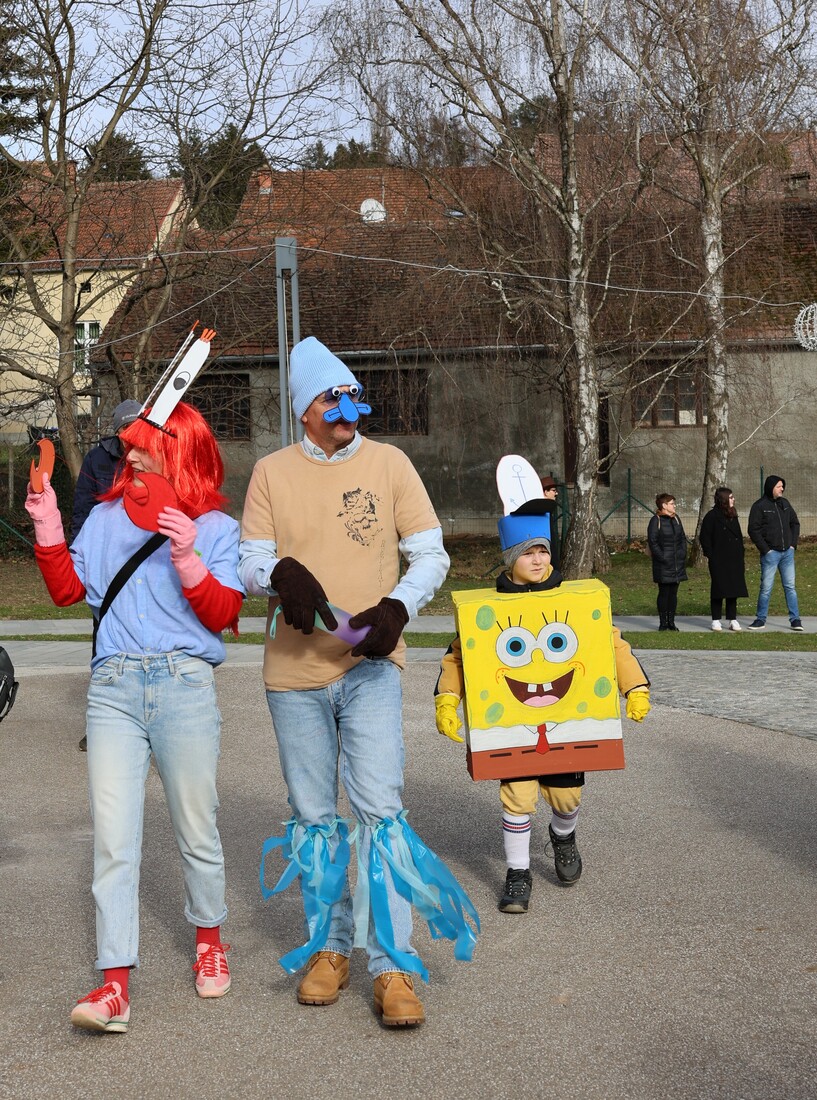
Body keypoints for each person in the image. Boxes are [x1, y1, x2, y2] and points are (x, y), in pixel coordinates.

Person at [239, 336, 477, 1029]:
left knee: (379, 811)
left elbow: (429, 554)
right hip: (293, 675)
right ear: (303, 410)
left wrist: (397, 607)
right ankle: (329, 947)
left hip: (371, 665)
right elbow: (247, 562)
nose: (345, 408)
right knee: (315, 818)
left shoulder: (389, 463)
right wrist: (277, 573)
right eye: (330, 398)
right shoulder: (270, 473)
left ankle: (393, 963)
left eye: (350, 395)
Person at [25, 401, 243, 1033]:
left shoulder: (215, 527)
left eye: (147, 445)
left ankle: (209, 941)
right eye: (132, 445)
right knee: (113, 840)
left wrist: (188, 556)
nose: (133, 454)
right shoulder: (104, 518)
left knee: (196, 827)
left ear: (180, 451)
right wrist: (46, 522)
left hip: (183, 684)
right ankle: (114, 984)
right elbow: (68, 591)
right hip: (114, 688)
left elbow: (224, 612)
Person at [434, 512, 650, 913]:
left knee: (566, 798)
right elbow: (460, 657)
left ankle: (563, 836)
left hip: (567, 722)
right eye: (528, 552)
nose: (538, 560)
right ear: (510, 557)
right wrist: (447, 698)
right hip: (512, 724)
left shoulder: (575, 603)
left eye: (543, 552)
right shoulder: (487, 609)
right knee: (517, 797)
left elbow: (611, 645)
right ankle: (518, 873)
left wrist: (634, 687)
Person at [71, 399, 142, 541]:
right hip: (104, 538)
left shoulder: (155, 458)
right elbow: (83, 507)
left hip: (141, 539)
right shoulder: (96, 459)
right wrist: (77, 544)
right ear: (117, 432)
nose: (132, 433)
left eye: (137, 427)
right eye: (126, 427)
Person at [747, 475, 803, 631]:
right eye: (779, 486)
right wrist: (766, 550)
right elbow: (753, 529)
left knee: (790, 587)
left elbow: (795, 523)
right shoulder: (759, 506)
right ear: (770, 487)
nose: (782, 489)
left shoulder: (785, 503)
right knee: (766, 588)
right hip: (770, 555)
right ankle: (760, 619)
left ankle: (795, 620)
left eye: (782, 486)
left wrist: (792, 545)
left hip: (787, 554)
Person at [699, 487, 748, 632]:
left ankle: (732, 619)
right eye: (731, 497)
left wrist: (741, 552)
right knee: (718, 589)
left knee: (733, 589)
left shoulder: (732, 514)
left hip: (734, 559)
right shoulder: (712, 516)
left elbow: (738, 536)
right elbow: (705, 537)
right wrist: (711, 555)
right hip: (719, 560)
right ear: (724, 499)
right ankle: (716, 620)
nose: (734, 499)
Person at [647, 493, 688, 631]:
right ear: (664, 505)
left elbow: (682, 538)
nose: (674, 506)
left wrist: (682, 553)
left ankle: (671, 622)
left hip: (677, 563)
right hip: (663, 564)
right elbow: (653, 542)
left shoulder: (676, 519)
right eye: (671, 504)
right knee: (664, 593)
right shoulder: (655, 520)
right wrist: (663, 557)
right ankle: (663, 623)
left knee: (673, 594)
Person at [540, 475, 561, 569]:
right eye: (553, 490)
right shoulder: (541, 510)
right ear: (546, 492)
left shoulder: (548, 509)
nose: (556, 493)